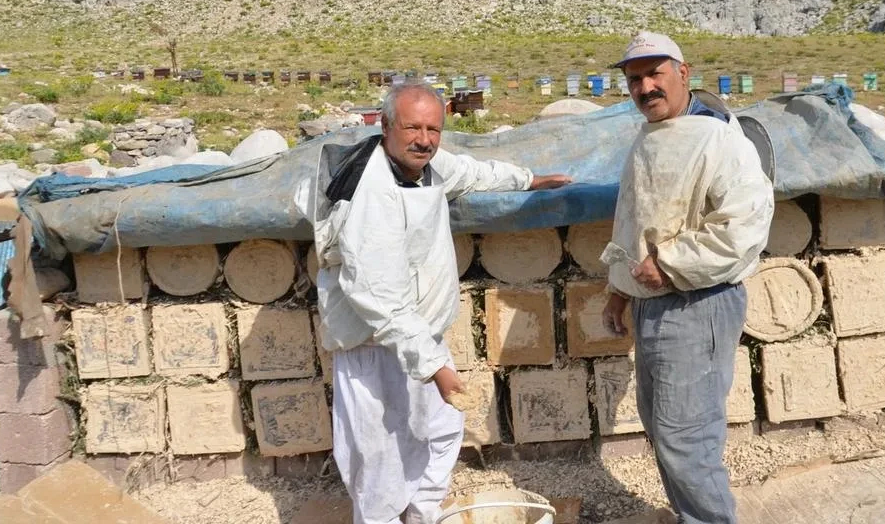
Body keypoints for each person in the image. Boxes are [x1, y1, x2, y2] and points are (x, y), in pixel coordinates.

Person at [313, 82, 571, 524]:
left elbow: (472, 172)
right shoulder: (369, 196)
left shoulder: (424, 165)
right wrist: (437, 367)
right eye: (413, 127)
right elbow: (382, 301)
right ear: (387, 126)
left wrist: (530, 180)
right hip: (374, 344)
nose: (425, 139)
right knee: (377, 458)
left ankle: (422, 514)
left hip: (419, 336)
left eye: (434, 128)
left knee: (440, 430)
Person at [600, 32, 774, 524]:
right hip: (652, 301)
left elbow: (744, 225)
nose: (646, 87)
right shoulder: (649, 136)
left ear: (684, 73)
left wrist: (671, 262)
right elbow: (633, 221)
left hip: (699, 301)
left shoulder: (718, 136)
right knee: (663, 427)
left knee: (687, 438)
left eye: (656, 73)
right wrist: (619, 289)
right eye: (635, 79)